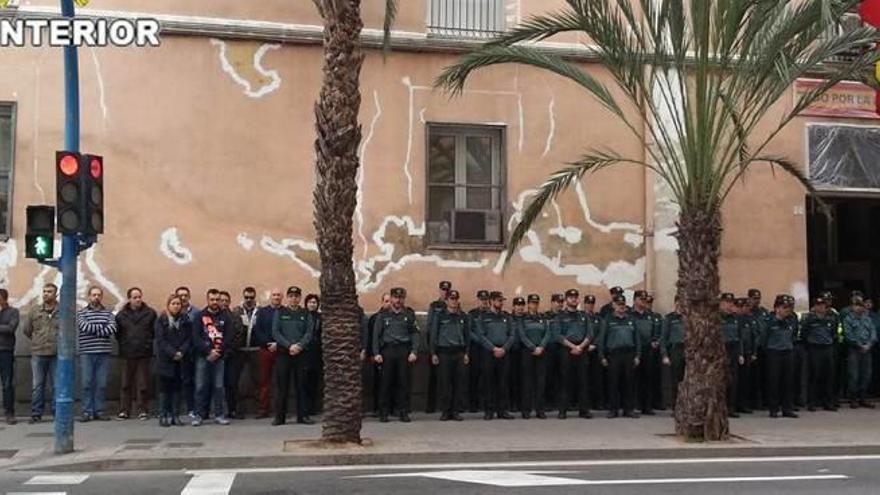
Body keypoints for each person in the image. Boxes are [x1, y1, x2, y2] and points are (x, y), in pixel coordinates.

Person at [372, 287, 419, 423]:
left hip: (403, 351)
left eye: (401, 298)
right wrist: (376, 353)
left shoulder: (409, 315)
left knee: (403, 383)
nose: (398, 300)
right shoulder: (383, 315)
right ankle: (384, 412)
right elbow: (376, 335)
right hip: (388, 351)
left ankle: (403, 412)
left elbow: (415, 334)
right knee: (385, 383)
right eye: (396, 297)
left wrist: (414, 351)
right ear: (391, 298)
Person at [272, 286, 315, 426]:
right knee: (282, 386)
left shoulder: (305, 313)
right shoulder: (280, 312)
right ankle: (280, 417)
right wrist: (289, 346)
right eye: (291, 296)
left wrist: (299, 346)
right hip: (284, 354)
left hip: (301, 354)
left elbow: (309, 332)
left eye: (296, 296)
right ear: (287, 298)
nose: (293, 299)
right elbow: (276, 333)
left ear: (300, 298)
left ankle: (303, 416)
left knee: (301, 386)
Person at [191, 288, 234, 426]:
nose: (215, 302)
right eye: (212, 299)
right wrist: (208, 351)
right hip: (203, 357)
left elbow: (229, 336)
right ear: (207, 300)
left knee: (219, 387)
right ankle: (198, 415)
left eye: (217, 300)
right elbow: (195, 337)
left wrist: (218, 351)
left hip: (219, 357)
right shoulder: (199, 316)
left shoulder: (226, 316)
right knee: (200, 386)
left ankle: (219, 415)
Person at [114, 287, 157, 421]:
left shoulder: (150, 313)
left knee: (142, 384)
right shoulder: (121, 315)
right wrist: (125, 343)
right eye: (135, 297)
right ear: (129, 299)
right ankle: (124, 410)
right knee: (125, 384)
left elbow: (153, 332)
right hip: (127, 353)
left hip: (144, 353)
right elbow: (117, 333)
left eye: (139, 297)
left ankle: (142, 410)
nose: (138, 299)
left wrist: (147, 343)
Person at [77, 286, 116, 422]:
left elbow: (111, 328)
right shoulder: (81, 313)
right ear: (89, 296)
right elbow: (84, 327)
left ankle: (99, 411)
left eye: (98, 295)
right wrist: (101, 329)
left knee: (101, 384)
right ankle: (87, 411)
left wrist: (95, 329)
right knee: (87, 383)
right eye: (93, 295)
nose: (96, 297)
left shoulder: (108, 313)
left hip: (103, 352)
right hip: (86, 353)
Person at [430, 289, 470, 421]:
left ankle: (456, 411)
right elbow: (434, 334)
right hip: (444, 352)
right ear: (446, 301)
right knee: (445, 383)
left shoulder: (463, 316)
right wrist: (433, 353)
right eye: (451, 299)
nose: (454, 301)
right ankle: (446, 411)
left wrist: (466, 353)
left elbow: (467, 336)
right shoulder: (440, 316)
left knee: (459, 383)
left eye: (456, 299)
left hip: (459, 352)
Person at [553, 289, 594, 419]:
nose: (574, 300)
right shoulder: (560, 316)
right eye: (571, 297)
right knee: (565, 381)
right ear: (566, 300)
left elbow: (590, 334)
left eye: (576, 297)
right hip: (567, 350)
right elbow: (557, 335)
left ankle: (584, 410)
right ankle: (563, 410)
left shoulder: (584, 316)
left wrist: (580, 346)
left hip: (582, 350)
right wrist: (572, 346)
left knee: (583, 381)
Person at [599, 294, 641, 418]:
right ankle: (613, 409)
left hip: (629, 354)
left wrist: (638, 355)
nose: (621, 307)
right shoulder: (608, 320)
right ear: (613, 306)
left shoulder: (631, 319)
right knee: (613, 382)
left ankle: (629, 409)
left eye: (623, 305)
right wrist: (602, 356)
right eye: (618, 305)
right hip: (614, 354)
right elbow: (602, 339)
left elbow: (637, 339)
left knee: (629, 382)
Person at [22, 283, 58, 424]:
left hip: (56, 353)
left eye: (49, 291)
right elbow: (26, 330)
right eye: (44, 291)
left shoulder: (62, 310)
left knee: (57, 385)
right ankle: (36, 413)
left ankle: (57, 413)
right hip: (38, 352)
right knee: (37, 385)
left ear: (55, 294)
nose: (46, 294)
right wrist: (38, 340)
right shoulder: (35, 310)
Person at [476, 291, 515, 421]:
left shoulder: (507, 317)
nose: (501, 303)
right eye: (498, 300)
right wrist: (493, 348)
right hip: (489, 353)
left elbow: (512, 335)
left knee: (503, 382)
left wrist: (504, 348)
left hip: (504, 352)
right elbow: (481, 335)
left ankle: (502, 410)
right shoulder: (484, 317)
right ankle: (489, 410)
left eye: (502, 300)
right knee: (489, 382)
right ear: (491, 301)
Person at [155, 294, 192, 427]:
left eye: (178, 304)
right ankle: (163, 415)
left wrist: (181, 351)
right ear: (168, 305)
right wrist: (172, 353)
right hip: (165, 360)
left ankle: (175, 416)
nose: (176, 306)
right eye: (173, 304)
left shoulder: (185, 320)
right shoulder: (162, 320)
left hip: (180, 359)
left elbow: (189, 338)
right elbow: (161, 340)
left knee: (177, 389)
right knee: (164, 389)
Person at [762, 294, 798, 418]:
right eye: (785, 307)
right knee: (774, 381)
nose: (787, 310)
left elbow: (794, 335)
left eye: (789, 307)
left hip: (788, 352)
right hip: (774, 353)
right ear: (777, 308)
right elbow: (764, 338)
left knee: (788, 382)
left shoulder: (791, 319)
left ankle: (787, 408)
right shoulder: (769, 321)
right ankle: (773, 408)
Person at [800, 295, 838, 412]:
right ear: (814, 307)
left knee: (829, 376)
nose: (821, 308)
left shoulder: (830, 319)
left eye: (823, 305)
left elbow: (833, 333)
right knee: (814, 376)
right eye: (818, 305)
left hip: (827, 348)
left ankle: (828, 402)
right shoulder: (809, 320)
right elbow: (804, 334)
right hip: (814, 349)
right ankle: (812, 402)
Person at [251, 288, 284, 419]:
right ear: (270, 297)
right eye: (274, 295)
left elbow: (286, 331)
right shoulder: (262, 312)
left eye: (278, 295)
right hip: (265, 350)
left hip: (281, 350)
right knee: (264, 381)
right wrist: (268, 344)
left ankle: (280, 410)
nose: (276, 297)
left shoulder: (285, 312)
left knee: (281, 381)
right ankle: (263, 409)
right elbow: (257, 330)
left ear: (282, 297)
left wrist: (279, 344)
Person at [227, 287, 258, 419]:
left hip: (255, 349)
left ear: (255, 297)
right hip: (239, 351)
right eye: (247, 297)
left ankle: (260, 410)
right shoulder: (236, 311)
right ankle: (236, 410)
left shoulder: (259, 311)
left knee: (258, 381)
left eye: (251, 297)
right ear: (243, 297)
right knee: (236, 382)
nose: (249, 300)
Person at [518, 294, 550, 419]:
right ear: (528, 304)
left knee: (540, 382)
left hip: (541, 352)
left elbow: (547, 333)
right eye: (532, 302)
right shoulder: (523, 319)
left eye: (536, 303)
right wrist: (533, 347)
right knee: (527, 382)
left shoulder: (543, 318)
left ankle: (540, 409)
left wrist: (541, 347)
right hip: (528, 352)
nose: (534, 305)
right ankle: (526, 410)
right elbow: (522, 335)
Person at [843, 295, 877, 409]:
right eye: (856, 305)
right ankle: (853, 398)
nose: (858, 308)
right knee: (854, 375)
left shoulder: (867, 319)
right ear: (852, 307)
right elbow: (848, 335)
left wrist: (869, 344)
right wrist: (859, 345)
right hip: (854, 350)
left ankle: (863, 398)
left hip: (867, 350)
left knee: (866, 374)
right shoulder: (848, 319)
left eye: (860, 305)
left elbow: (873, 333)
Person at [630, 290, 660, 415]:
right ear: (635, 300)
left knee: (648, 377)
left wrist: (655, 341)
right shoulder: (629, 315)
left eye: (645, 300)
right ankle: (635, 405)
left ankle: (647, 406)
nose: (643, 302)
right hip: (634, 349)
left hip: (648, 349)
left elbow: (657, 331)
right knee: (633, 378)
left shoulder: (650, 315)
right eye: (641, 299)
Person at [425, 281, 451, 414]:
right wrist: (431, 346)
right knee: (434, 376)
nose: (445, 292)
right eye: (443, 290)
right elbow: (429, 326)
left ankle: (445, 406)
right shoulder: (435, 306)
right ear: (439, 290)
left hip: (448, 345)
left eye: (447, 290)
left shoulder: (453, 304)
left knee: (447, 378)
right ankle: (431, 405)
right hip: (436, 344)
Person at [362, 293, 390, 414]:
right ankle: (377, 407)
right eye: (386, 301)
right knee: (378, 382)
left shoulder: (397, 316)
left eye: (390, 301)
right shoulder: (374, 318)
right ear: (382, 302)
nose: (388, 304)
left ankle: (391, 408)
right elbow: (371, 337)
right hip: (378, 354)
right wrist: (372, 354)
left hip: (390, 353)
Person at [175, 286, 199, 418]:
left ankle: (192, 408)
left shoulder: (196, 312)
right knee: (176, 382)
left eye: (185, 295)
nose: (183, 298)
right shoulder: (170, 313)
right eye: (180, 295)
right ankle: (175, 408)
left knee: (191, 381)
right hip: (174, 353)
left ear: (189, 297)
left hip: (191, 352)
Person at [719, 293, 744, 418]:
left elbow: (740, 337)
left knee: (733, 380)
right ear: (721, 303)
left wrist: (740, 353)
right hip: (721, 349)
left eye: (731, 303)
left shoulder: (735, 318)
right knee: (721, 380)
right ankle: (720, 408)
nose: (729, 305)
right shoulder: (716, 317)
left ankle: (731, 408)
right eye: (727, 303)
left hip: (733, 349)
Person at [467, 290, 490, 413]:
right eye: (482, 299)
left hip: (488, 350)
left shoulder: (491, 314)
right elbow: (469, 331)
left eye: (486, 299)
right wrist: (481, 340)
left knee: (486, 377)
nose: (484, 302)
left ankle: (485, 403)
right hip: (476, 348)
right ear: (478, 300)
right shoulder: (472, 314)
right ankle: (473, 404)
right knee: (474, 376)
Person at [661, 296, 685, 409]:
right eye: (679, 302)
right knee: (674, 380)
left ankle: (686, 405)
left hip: (687, 350)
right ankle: (675, 405)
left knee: (685, 379)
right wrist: (665, 355)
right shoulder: (669, 318)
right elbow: (664, 338)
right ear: (675, 303)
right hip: (675, 350)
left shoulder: (689, 318)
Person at [583, 295, 605, 411]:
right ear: (584, 304)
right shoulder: (580, 317)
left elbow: (601, 333)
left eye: (592, 303)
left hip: (595, 351)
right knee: (584, 378)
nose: (590, 305)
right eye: (588, 303)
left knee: (597, 377)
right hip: (583, 350)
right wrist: (585, 345)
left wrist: (594, 344)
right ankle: (585, 403)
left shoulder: (598, 319)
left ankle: (598, 402)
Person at [0, 289, 19, 424]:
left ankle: (9, 412)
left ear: (4, 299)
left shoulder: (13, 312)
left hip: (5, 350)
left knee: (7, 383)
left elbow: (11, 328)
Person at [736, 297, 758, 414]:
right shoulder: (735, 319)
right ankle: (735, 404)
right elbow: (738, 339)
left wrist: (754, 352)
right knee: (736, 380)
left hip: (748, 352)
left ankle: (744, 404)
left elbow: (754, 337)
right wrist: (740, 353)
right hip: (738, 354)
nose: (744, 309)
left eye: (745, 306)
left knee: (746, 380)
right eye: (741, 307)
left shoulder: (749, 320)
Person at [303, 294, 323, 416]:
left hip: (317, 353)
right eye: (310, 302)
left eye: (314, 302)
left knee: (314, 382)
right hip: (305, 352)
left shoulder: (320, 317)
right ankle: (304, 408)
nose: (312, 304)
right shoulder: (302, 315)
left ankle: (312, 408)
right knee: (304, 381)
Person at [544, 293, 564, 411]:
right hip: (550, 347)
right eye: (557, 302)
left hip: (562, 348)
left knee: (562, 375)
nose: (560, 304)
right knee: (549, 375)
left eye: (561, 302)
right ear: (552, 303)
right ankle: (548, 402)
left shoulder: (565, 316)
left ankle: (560, 402)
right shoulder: (546, 316)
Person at [508, 296, 525, 413]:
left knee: (523, 378)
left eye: (522, 305)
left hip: (524, 351)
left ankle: (522, 403)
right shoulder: (509, 318)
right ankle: (512, 403)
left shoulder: (526, 318)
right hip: (511, 351)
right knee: (511, 378)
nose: (520, 308)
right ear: (513, 306)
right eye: (518, 305)